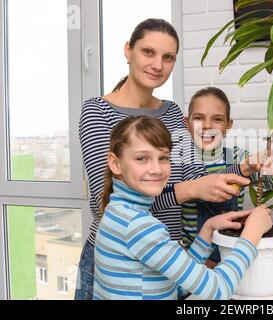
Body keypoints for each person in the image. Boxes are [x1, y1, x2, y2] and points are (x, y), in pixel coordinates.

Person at [76, 18, 251, 300]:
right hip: (119, 263)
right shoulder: (98, 112)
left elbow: (197, 176)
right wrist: (191, 190)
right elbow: (103, 200)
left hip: (170, 254)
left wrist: (242, 168)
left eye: (168, 57)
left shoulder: (170, 112)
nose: (158, 64)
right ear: (128, 51)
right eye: (148, 52)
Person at [94, 115, 272, 300]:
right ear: (115, 163)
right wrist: (252, 234)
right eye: (142, 158)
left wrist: (208, 228)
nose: (156, 169)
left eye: (163, 157)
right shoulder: (138, 226)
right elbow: (218, 290)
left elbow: (174, 286)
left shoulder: (117, 212)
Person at [185, 87, 273, 265]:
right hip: (190, 259)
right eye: (199, 118)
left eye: (217, 119)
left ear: (228, 125)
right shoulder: (176, 164)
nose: (207, 125)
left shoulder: (238, 157)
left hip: (229, 257)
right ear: (187, 123)